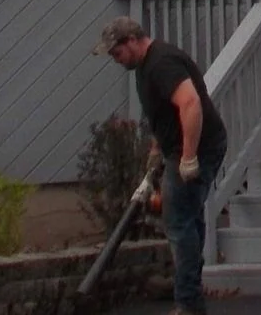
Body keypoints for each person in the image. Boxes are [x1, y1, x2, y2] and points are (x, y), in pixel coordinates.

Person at [95, 16, 227, 315]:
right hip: (180, 148)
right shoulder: (144, 67)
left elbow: (190, 103)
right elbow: (163, 113)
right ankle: (187, 285)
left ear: (130, 41)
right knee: (188, 218)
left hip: (199, 147)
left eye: (116, 53)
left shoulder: (161, 63)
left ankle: (188, 302)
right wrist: (157, 149)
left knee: (179, 220)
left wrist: (189, 157)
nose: (115, 60)